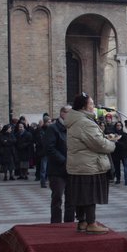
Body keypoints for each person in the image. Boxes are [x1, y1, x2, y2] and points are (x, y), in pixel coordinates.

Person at [65, 92, 115, 234]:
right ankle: (92, 223)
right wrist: (112, 144)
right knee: (89, 195)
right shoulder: (85, 123)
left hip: (78, 164)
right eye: (91, 104)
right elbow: (99, 144)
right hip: (89, 164)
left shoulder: (75, 120)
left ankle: (82, 222)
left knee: (81, 194)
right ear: (83, 107)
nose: (93, 106)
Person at [46, 106, 72, 223]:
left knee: (71, 199)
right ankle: (56, 224)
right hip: (57, 170)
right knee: (57, 198)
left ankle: (69, 223)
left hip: (72, 169)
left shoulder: (73, 128)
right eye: (69, 113)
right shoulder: (53, 128)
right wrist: (63, 160)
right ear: (62, 113)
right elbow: (50, 148)